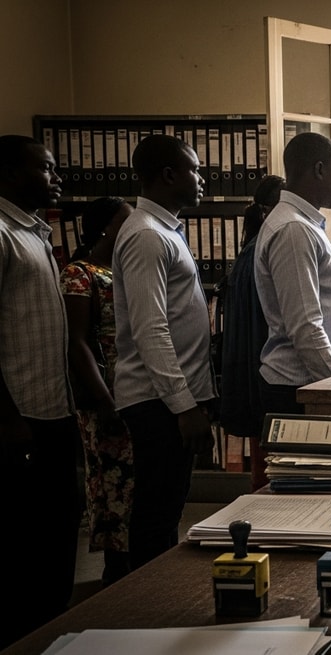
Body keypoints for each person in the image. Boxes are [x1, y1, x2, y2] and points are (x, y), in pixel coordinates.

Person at [112, 133, 214, 570]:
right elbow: (150, 329)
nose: (202, 179)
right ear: (169, 175)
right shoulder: (146, 236)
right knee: (156, 515)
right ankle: (142, 601)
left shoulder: (164, 230)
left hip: (171, 400)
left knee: (167, 509)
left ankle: (153, 596)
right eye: (195, 170)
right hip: (159, 402)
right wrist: (184, 406)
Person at [0, 134, 80, 648]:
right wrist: (7, 419)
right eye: (46, 169)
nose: (56, 178)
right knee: (24, 544)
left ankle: (50, 632)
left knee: (59, 531)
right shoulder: (2, 233)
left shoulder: (33, 232)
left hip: (55, 410)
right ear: (9, 173)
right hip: (21, 416)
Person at [255, 132, 331, 416]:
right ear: (320, 169)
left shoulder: (303, 223)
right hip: (302, 387)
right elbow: (305, 327)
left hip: (314, 383)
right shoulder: (294, 229)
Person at [60, 196, 135, 585]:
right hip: (104, 397)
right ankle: (115, 574)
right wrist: (105, 402)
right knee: (112, 484)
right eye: (125, 220)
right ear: (106, 228)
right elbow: (76, 343)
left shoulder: (121, 268)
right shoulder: (79, 273)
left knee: (135, 485)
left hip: (133, 391)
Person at [219, 174, 283, 491]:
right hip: (264, 374)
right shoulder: (264, 250)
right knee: (272, 470)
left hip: (253, 373)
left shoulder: (253, 248)